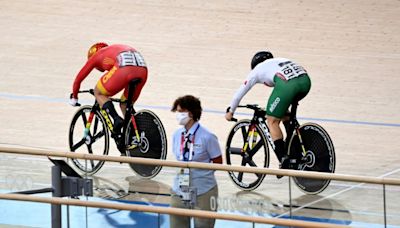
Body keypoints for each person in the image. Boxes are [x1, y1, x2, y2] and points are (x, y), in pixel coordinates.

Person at [225, 50, 311, 170]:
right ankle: (293, 146)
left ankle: (283, 159)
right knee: (284, 115)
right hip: (305, 81)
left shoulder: (257, 70)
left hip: (288, 86)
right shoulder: (278, 61)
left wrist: (230, 111)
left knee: (272, 120)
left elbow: (239, 93)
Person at [69, 42, 148, 144]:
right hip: (142, 70)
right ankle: (135, 135)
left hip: (124, 68)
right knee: (125, 104)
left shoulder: (96, 55)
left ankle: (116, 119)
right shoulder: (112, 50)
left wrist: (74, 98)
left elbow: (78, 79)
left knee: (98, 92)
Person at [170, 95, 222, 228]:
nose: (178, 115)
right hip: (179, 190)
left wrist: (200, 174)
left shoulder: (208, 137)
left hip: (203, 190)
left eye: (180, 111)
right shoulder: (176, 135)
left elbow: (218, 162)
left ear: (191, 113)